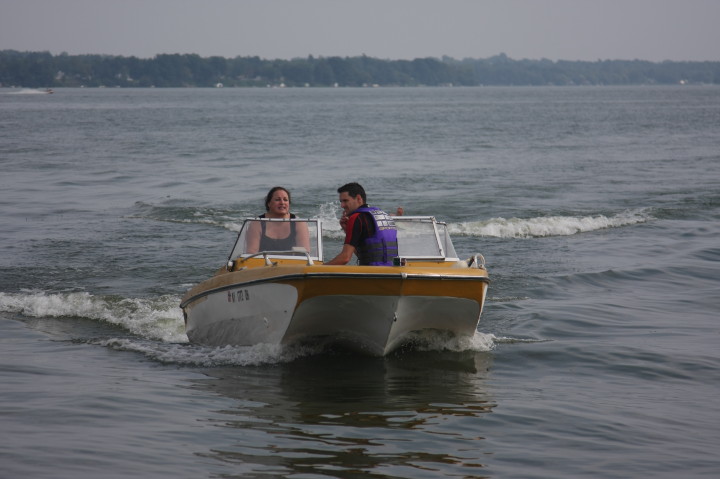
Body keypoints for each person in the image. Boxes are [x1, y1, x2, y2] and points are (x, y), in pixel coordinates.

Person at [326, 182, 399, 266]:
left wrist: (320, 268)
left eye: (345, 201)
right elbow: (366, 255)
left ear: (358, 198)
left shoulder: (356, 218)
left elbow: (345, 258)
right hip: (392, 273)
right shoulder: (384, 215)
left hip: (371, 275)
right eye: (341, 202)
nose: (342, 205)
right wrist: (347, 230)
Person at [245, 186, 310, 253]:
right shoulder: (256, 223)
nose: (282, 203)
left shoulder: (299, 223)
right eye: (277, 199)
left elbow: (305, 254)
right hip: (263, 262)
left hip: (292, 263)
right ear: (269, 203)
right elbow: (251, 252)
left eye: (285, 200)